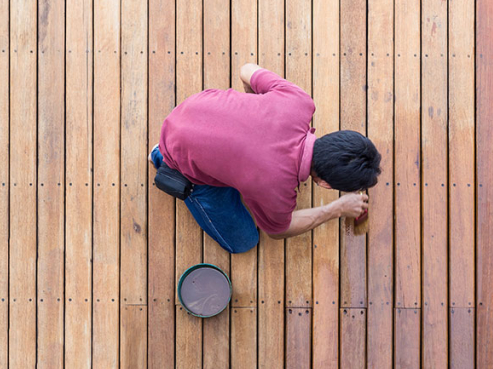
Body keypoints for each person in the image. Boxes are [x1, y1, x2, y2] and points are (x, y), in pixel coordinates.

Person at [149, 62, 381, 253]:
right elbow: (278, 230)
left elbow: (246, 69)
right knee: (244, 242)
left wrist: (255, 112)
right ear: (325, 184)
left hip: (193, 108)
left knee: (242, 172)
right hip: (178, 152)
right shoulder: (275, 189)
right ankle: (160, 156)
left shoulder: (300, 102)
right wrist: (336, 209)